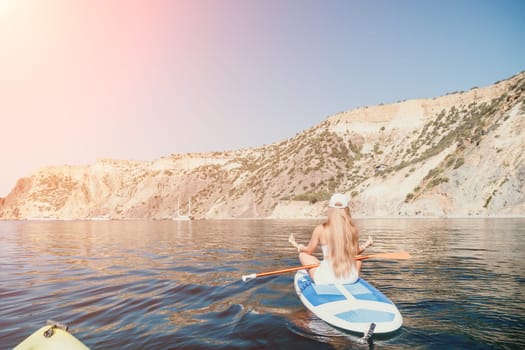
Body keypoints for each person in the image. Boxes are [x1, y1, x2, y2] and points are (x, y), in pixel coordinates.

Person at [288, 193, 373, 285]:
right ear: (346, 210)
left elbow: (308, 251)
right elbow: (356, 252)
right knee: (358, 257)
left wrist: (295, 244)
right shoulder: (352, 229)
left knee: (303, 255)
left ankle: (323, 267)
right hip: (350, 278)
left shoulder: (320, 229)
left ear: (329, 209)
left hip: (325, 279)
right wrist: (367, 244)